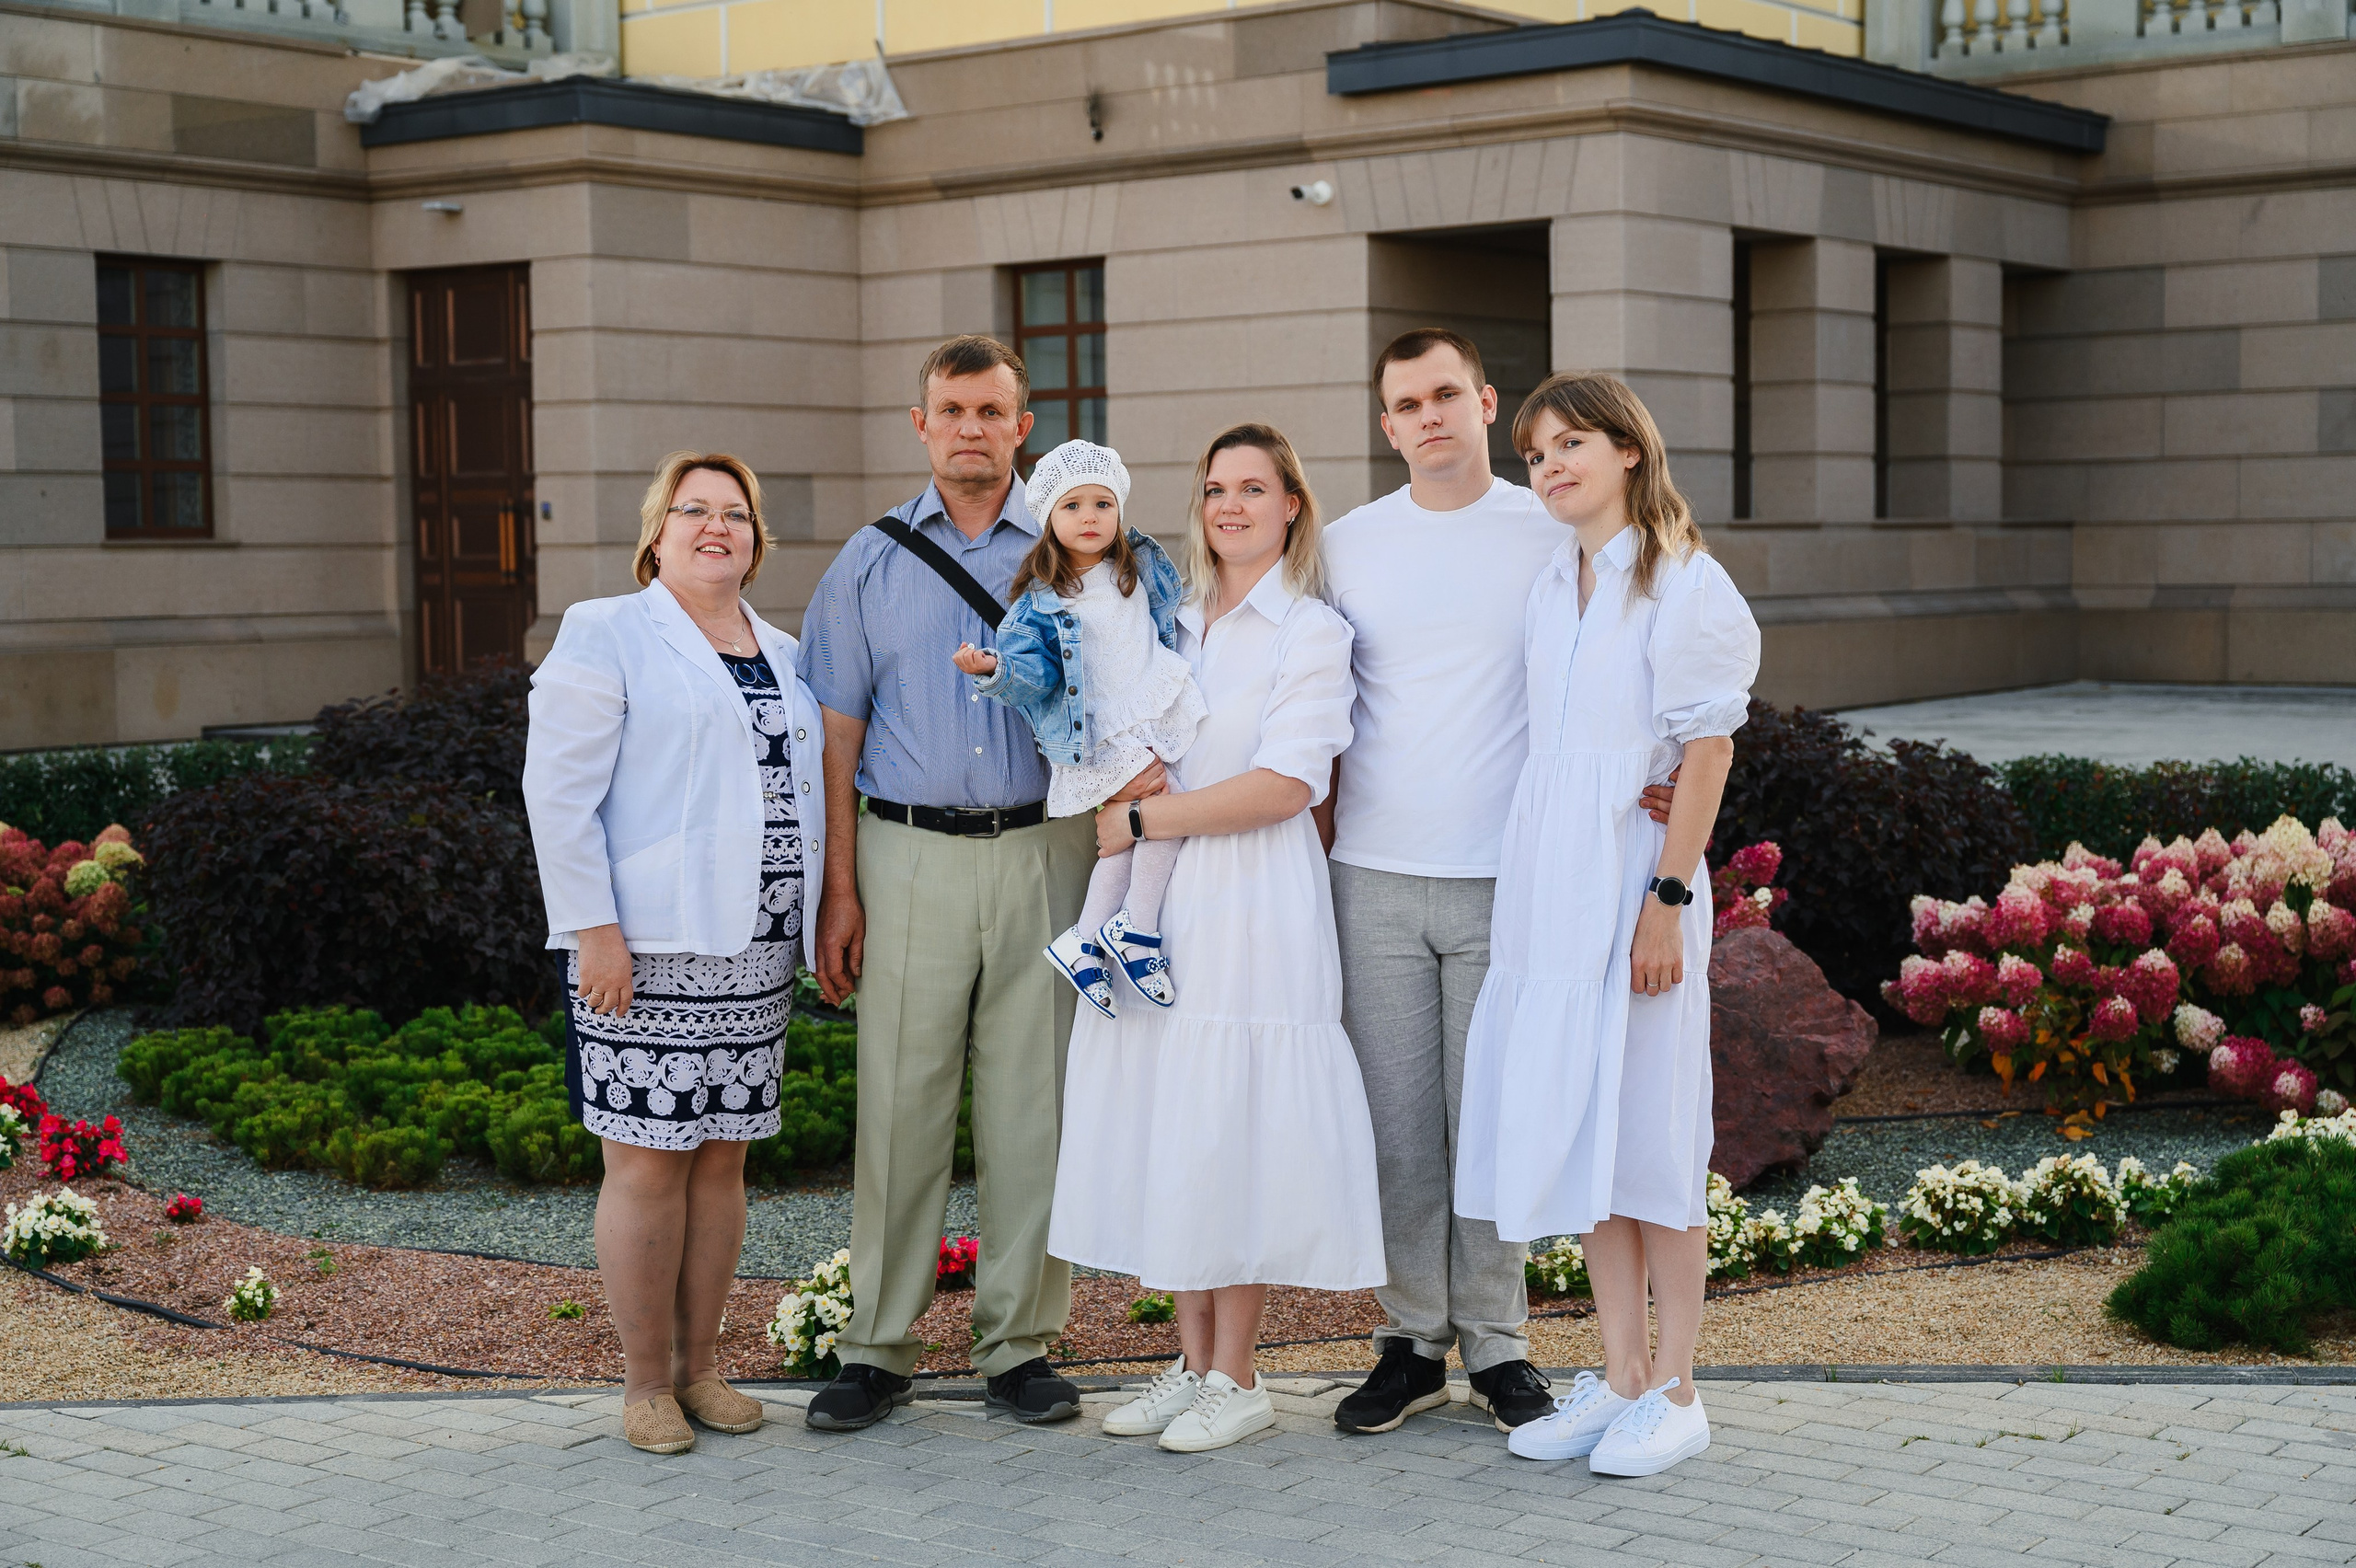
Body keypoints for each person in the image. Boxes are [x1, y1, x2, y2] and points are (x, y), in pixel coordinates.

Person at [796, 337, 1158, 1431]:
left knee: (1033, 1106)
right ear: (920, 424)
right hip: (904, 853)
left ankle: (1018, 1344)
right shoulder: (866, 560)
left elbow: (1145, 693)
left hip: (1048, 848)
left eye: (989, 410)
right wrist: (839, 892)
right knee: (900, 1105)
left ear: (1021, 424)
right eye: (949, 409)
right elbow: (835, 736)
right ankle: (877, 1347)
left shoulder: (1085, 550)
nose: (968, 427)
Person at [1047, 422, 1385, 1455]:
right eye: (1213, 490)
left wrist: (1142, 821)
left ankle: (1239, 1374)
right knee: (1172, 1124)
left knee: (1231, 1126)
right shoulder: (1172, 619)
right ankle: (1190, 1365)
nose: (1230, 506)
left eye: (1252, 488)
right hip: (1164, 903)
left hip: (1251, 903)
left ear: (1291, 505)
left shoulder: (1310, 632)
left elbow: (1288, 785)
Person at [1458, 373, 1759, 1479]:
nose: (1548, 466)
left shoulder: (1683, 583)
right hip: (1552, 882)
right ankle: (1621, 1377)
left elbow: (1709, 750)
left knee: (1653, 1135)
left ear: (1628, 450)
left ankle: (1678, 1390)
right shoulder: (1551, 582)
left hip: (1639, 882)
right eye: (1534, 453)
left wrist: (1666, 904)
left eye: (1570, 443)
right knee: (1587, 1128)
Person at [523, 451, 828, 1455]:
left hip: (754, 954)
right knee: (648, 1161)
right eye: (691, 510)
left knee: (722, 1165)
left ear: (756, 539)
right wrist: (594, 931)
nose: (715, 527)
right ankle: (645, 1383)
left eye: (735, 514)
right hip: (646, 951)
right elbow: (557, 795)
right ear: (656, 534)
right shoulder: (607, 630)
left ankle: (703, 1369)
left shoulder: (784, 653)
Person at [1314, 329, 1576, 1435]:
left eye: (1443, 396)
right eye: (1402, 404)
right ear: (1386, 425)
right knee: (1399, 1126)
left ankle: (1500, 1346)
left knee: (1491, 1122)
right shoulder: (1344, 544)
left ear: (1483, 401)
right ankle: (1413, 1341)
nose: (1426, 417)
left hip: (1501, 878)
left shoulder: (1550, 530)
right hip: (1370, 873)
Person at [953, 439, 1205, 1018]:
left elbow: (1176, 613)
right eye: (1072, 507)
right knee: (1163, 814)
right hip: (1098, 733)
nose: (1089, 517)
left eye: (1102, 504)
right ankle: (1135, 930)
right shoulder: (1043, 600)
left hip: (1143, 714)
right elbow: (1035, 676)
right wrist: (994, 669)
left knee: (1138, 827)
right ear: (1048, 520)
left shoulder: (1139, 566)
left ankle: (1087, 939)